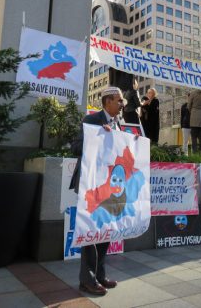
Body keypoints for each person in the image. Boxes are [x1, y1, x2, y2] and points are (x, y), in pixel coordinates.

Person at [69, 86, 124, 296]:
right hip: (90, 186)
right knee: (91, 234)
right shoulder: (91, 120)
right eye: (119, 101)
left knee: (104, 233)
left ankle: (100, 275)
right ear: (108, 101)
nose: (122, 105)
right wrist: (100, 135)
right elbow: (75, 147)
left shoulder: (118, 124)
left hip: (108, 187)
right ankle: (87, 280)